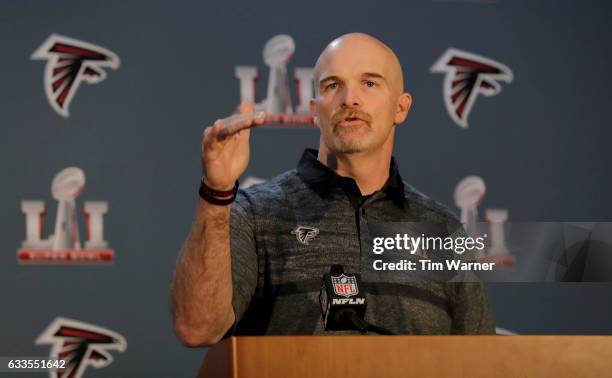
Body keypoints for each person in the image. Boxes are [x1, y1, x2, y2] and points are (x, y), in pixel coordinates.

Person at [170, 33, 495, 347]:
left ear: (401, 107)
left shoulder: (443, 231)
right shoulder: (255, 213)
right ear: (314, 109)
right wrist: (217, 192)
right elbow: (196, 328)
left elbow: (482, 362)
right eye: (332, 85)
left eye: (369, 83)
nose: (349, 99)